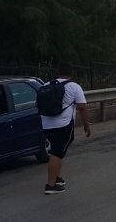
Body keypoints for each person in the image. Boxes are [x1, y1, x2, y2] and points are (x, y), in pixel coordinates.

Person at [41, 62, 91, 195]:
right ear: (71, 73)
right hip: (63, 125)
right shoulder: (74, 87)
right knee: (57, 152)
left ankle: (57, 178)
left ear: (58, 72)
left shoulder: (46, 85)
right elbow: (82, 107)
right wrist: (86, 125)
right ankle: (50, 185)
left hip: (46, 124)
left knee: (58, 150)